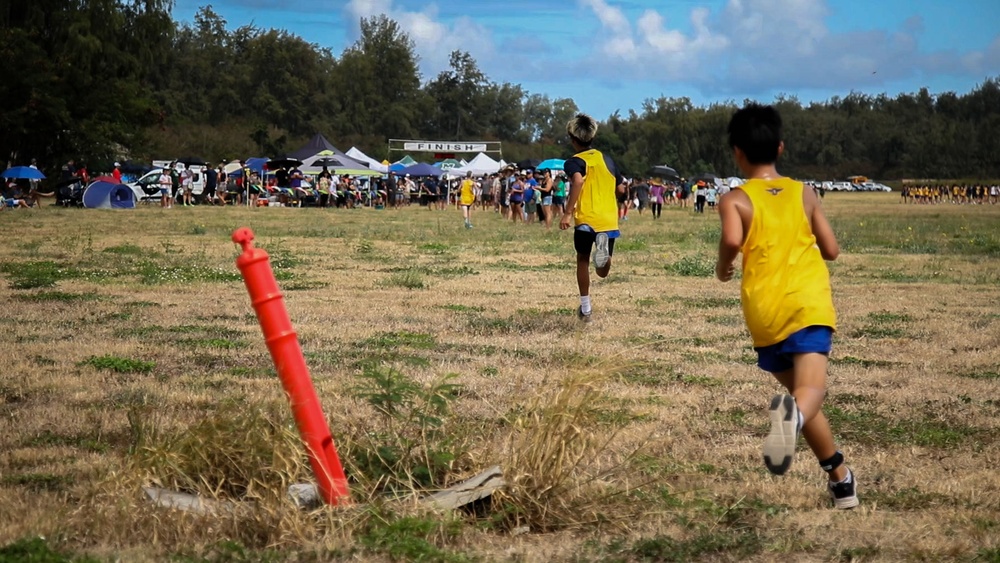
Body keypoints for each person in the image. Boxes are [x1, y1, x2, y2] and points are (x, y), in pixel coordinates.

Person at [715, 103, 857, 510]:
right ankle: (790, 421)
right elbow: (831, 250)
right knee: (808, 394)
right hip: (807, 303)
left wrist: (724, 267)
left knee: (801, 397)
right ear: (781, 147)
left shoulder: (735, 200)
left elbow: (730, 242)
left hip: (764, 311)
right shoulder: (805, 193)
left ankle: (840, 480)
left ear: (737, 151)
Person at [559, 113, 624, 322]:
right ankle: (603, 255)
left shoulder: (574, 162)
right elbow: (621, 187)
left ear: (572, 138)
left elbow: (577, 181)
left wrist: (568, 212)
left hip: (586, 219)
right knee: (602, 272)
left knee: (582, 260)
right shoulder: (608, 160)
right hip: (607, 218)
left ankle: (586, 309)